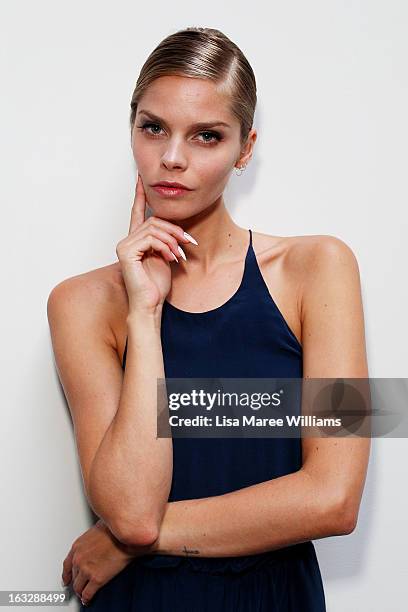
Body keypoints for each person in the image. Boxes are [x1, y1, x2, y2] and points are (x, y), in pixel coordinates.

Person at [47, 27, 370, 611]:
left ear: (245, 148)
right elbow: (129, 507)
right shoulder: (81, 303)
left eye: (206, 135)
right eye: (154, 128)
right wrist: (145, 315)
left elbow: (334, 499)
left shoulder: (320, 269)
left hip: (274, 598)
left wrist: (128, 543)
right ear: (132, 131)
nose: (172, 157)